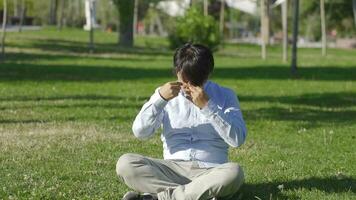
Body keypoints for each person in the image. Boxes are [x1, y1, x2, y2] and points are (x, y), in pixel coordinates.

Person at [116, 43, 247, 200]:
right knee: (125, 164)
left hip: (211, 170)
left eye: (197, 81)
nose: (190, 86)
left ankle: (158, 197)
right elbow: (140, 132)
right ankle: (196, 194)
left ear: (208, 74)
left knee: (234, 173)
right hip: (171, 169)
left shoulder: (225, 95)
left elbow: (237, 139)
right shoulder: (165, 94)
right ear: (177, 71)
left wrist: (208, 106)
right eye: (186, 80)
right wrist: (159, 99)